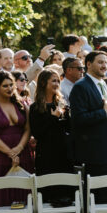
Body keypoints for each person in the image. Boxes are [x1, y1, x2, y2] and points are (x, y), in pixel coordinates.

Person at [0, 71, 34, 208]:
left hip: (22, 154)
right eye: (4, 86)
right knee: (1, 196)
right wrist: (10, 153)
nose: (9, 89)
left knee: (23, 193)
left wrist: (19, 148)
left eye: (11, 85)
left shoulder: (21, 104)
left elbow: (27, 129)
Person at [29, 69, 75, 204]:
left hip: (63, 153)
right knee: (49, 191)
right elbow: (37, 132)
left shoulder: (62, 104)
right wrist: (53, 117)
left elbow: (70, 128)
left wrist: (66, 115)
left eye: (58, 81)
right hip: (47, 154)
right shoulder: (35, 107)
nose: (56, 84)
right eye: (53, 80)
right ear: (43, 83)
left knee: (65, 189)